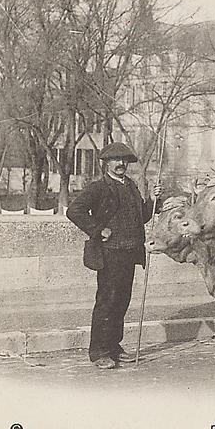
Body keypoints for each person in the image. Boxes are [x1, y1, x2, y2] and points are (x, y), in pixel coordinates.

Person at [67, 142, 162, 369]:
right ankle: (99, 351)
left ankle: (114, 347)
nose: (120, 164)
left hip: (130, 252)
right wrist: (98, 230)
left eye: (124, 161)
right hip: (109, 254)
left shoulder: (130, 186)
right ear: (106, 163)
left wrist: (153, 201)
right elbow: (74, 211)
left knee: (121, 302)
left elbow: (142, 217)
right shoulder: (98, 187)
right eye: (115, 160)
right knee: (107, 302)